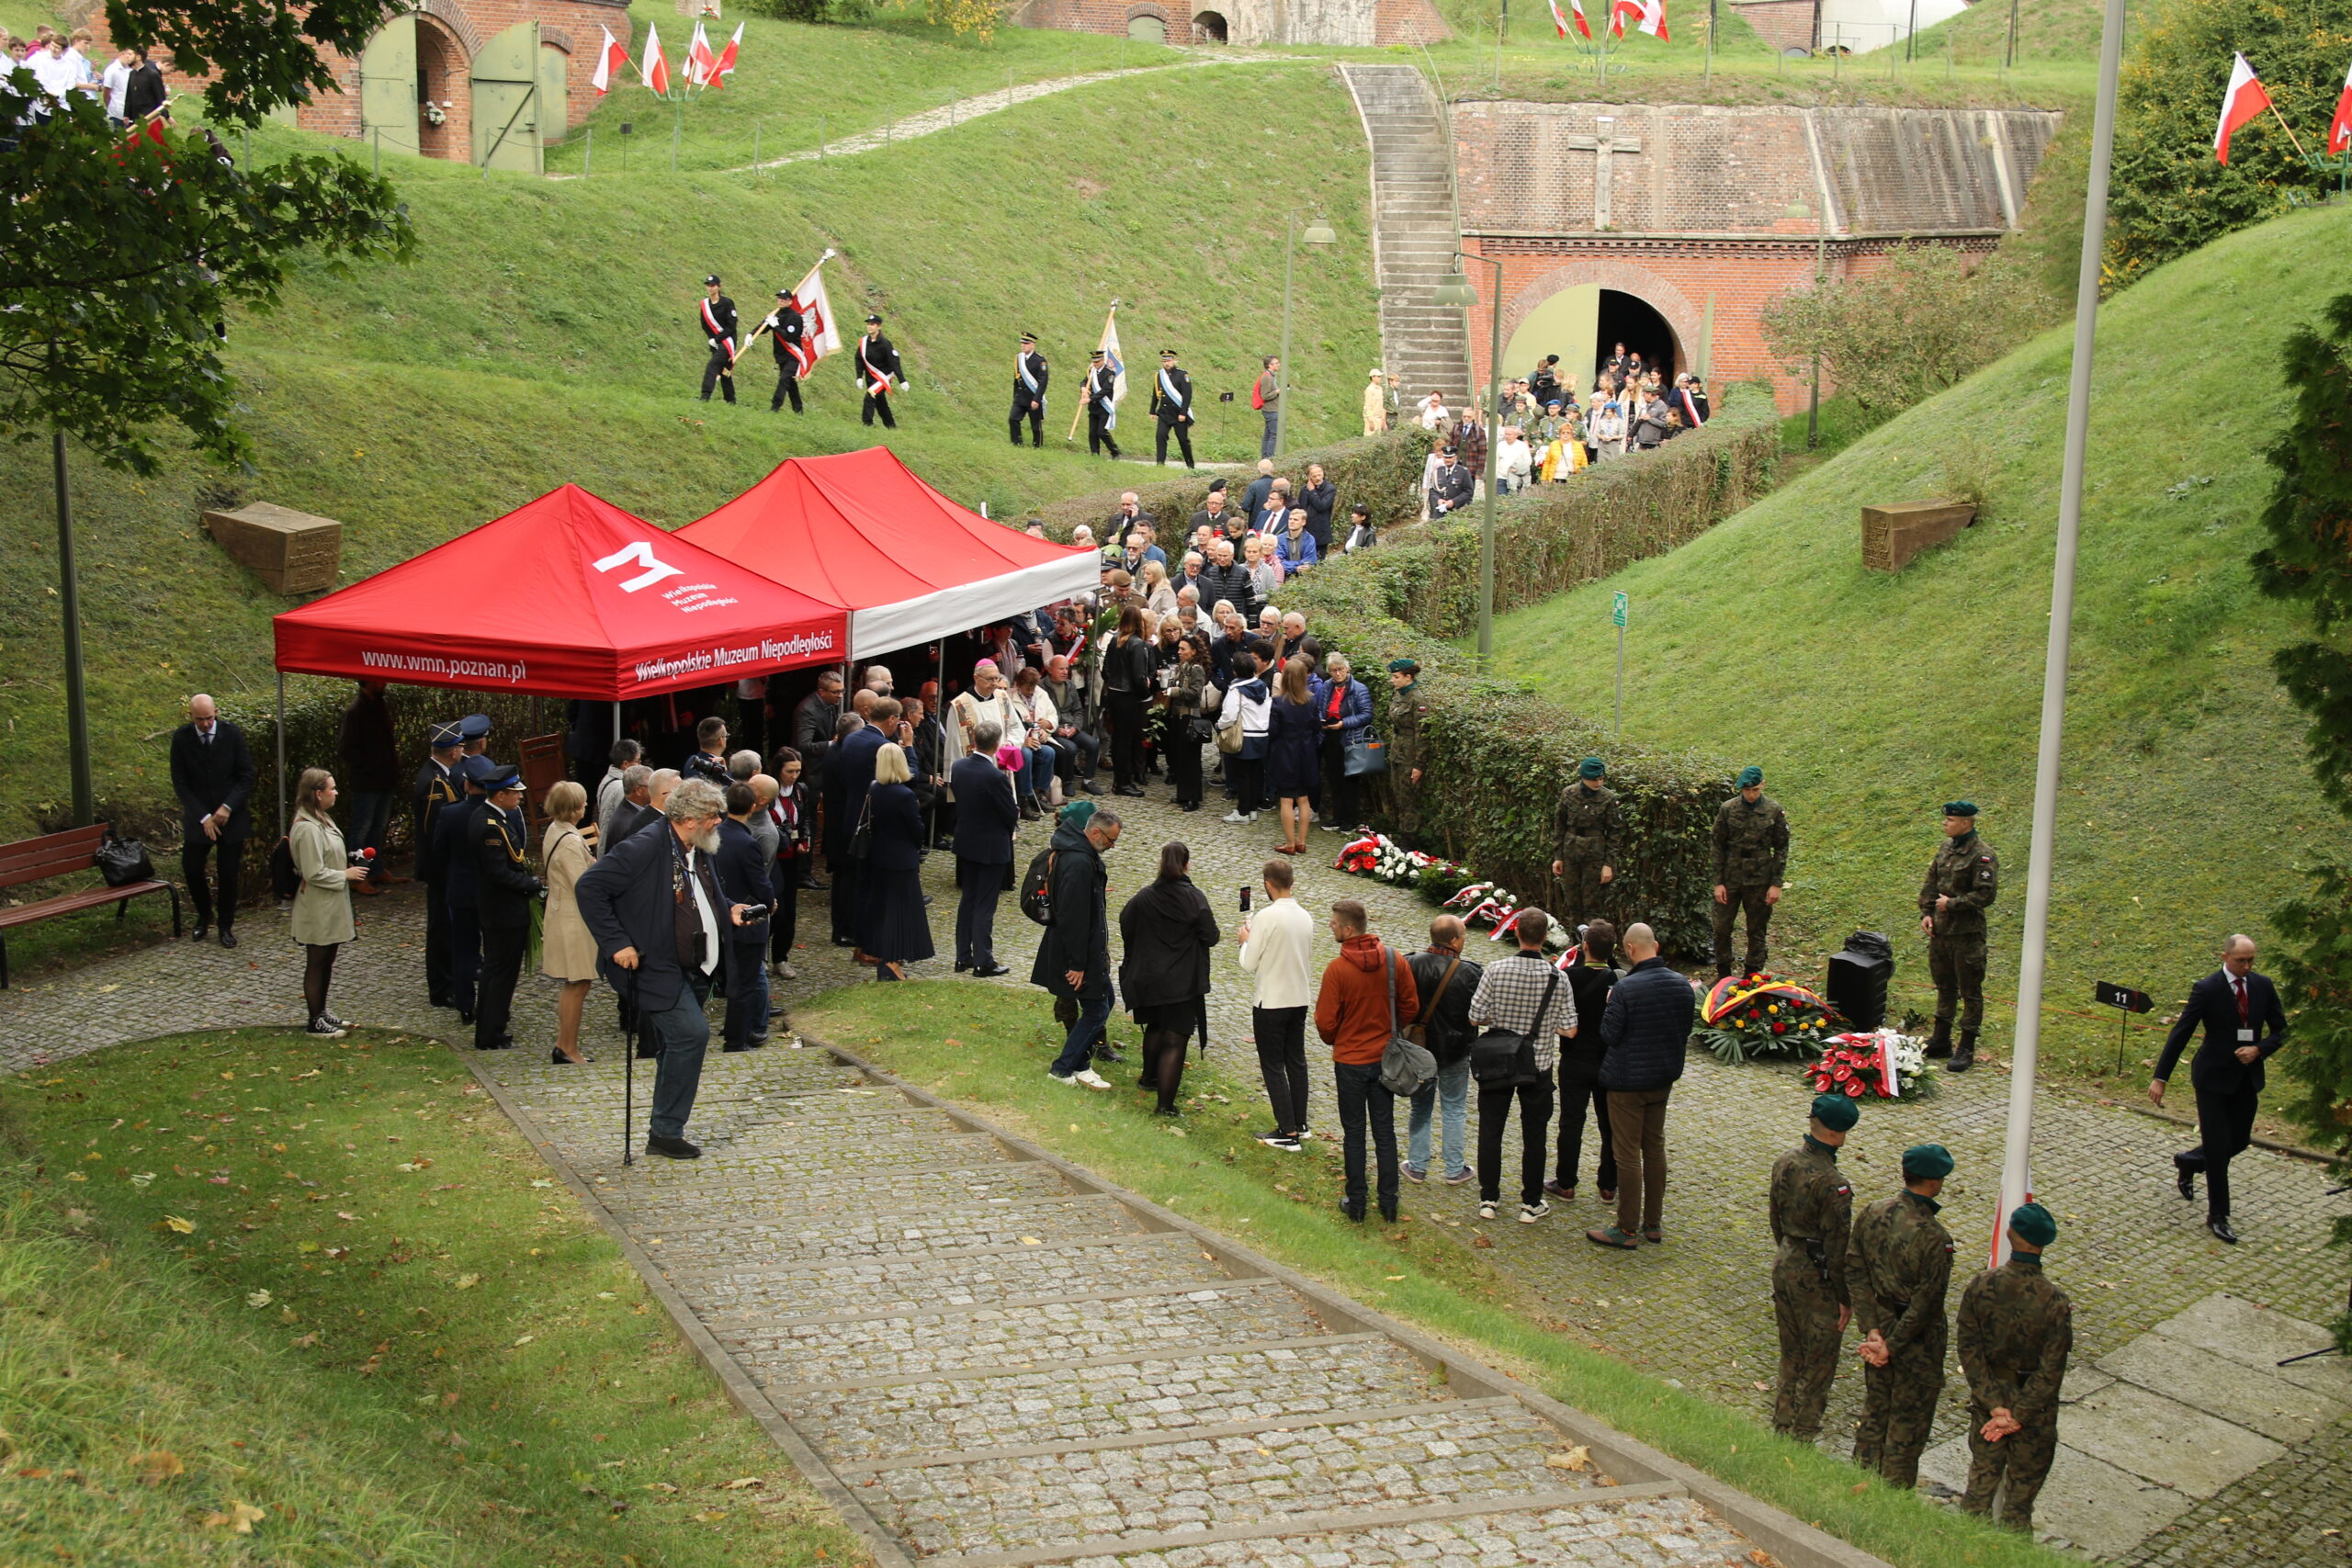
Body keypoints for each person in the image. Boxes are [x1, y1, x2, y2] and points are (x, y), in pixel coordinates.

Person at [575, 778, 758, 1159]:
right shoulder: (644, 846)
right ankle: (666, 1131)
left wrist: (729, 911)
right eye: (713, 817)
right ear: (689, 819)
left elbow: (700, 898)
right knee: (692, 1035)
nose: (719, 823)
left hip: (694, 966)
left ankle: (663, 1127)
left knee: (676, 1044)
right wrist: (617, 943)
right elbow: (590, 887)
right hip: (656, 966)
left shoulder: (698, 847)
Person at [2150, 933, 2288, 1244]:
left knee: (2237, 1141)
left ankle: (2188, 1162)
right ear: (2224, 957)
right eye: (2241, 960)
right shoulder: (2207, 989)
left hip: (2246, 1078)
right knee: (2216, 1147)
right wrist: (2161, 1077)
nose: (2247, 966)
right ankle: (2218, 1214)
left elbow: (2280, 1030)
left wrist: (2260, 1049)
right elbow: (2181, 1032)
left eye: (2252, 960)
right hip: (2212, 1079)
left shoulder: (2263, 986)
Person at [1956, 1203, 2073, 1531]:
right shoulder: (2054, 1301)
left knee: (1978, 1492)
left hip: (1989, 1402)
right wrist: (2018, 1416)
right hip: (2033, 1415)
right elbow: (2051, 1370)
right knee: (2018, 1507)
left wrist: (1995, 1407)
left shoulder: (1981, 1285)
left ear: (2010, 1234)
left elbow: (1969, 1349)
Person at [1849, 1142, 1956, 1489]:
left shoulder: (1873, 1211)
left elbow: (1855, 1268)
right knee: (1907, 1426)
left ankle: (1858, 1482)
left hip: (1879, 1323)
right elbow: (1927, 1302)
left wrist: (1872, 1329)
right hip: (1917, 1342)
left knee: (1875, 1411)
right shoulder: (1935, 1238)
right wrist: (1891, 1345)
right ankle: (1893, 1493)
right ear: (1936, 1182)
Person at [1462, 908, 1576, 1224]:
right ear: (1545, 938)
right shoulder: (1558, 977)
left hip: (1497, 1061)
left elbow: (1475, 1016)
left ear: (1516, 932)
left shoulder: (1495, 970)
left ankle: (1489, 1198)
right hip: (1537, 1066)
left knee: (1491, 1130)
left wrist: (1499, 1020)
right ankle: (1531, 1202)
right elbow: (1569, 1029)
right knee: (1535, 1134)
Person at [1315, 899, 1419, 1224]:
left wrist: (1341, 1038)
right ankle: (1389, 1203)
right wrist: (1390, 1030)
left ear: (1348, 929)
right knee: (1385, 1131)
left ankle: (1357, 1201)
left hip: (1350, 1061)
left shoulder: (1338, 970)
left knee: (1354, 1132)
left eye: (1333, 922)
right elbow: (1411, 1006)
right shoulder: (1394, 960)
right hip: (1385, 1059)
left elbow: (1325, 1022)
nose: (1329, 925)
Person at [1589, 921, 1689, 1248]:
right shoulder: (1682, 986)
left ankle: (1627, 1227)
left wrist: (1609, 1005)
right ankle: (1653, 1223)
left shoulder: (1626, 989)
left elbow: (1609, 1035)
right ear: (1655, 946)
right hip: (1662, 1079)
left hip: (1627, 1083)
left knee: (1628, 1154)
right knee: (1655, 1147)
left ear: (1630, 949)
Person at [1770, 1091, 1859, 1441]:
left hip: (1786, 1258)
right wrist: (1844, 1296)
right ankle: (1804, 1431)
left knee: (1790, 1351)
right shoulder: (1834, 1184)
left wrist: (1787, 1249)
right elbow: (1837, 1246)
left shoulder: (1785, 1162)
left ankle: (1781, 1421)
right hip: (1816, 1275)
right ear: (1840, 1132)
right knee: (1819, 1359)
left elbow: (1775, 1216)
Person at [1119, 841, 1220, 1113]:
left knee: (1154, 1025)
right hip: (1180, 982)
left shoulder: (1144, 896)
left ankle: (1149, 1077)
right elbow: (1211, 936)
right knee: (1175, 1039)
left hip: (1150, 977)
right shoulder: (1194, 898)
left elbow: (1126, 922)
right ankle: (1165, 1105)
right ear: (1186, 864)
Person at [1035, 805, 1123, 1089]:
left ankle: (1081, 1065)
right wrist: (1077, 964)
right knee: (1097, 1009)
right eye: (1110, 840)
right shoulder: (1080, 863)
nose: (1111, 846)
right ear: (1095, 832)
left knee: (1104, 1002)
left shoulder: (1078, 856)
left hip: (1082, 951)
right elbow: (1074, 917)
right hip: (1077, 955)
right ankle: (1062, 1068)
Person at [1236, 859, 1316, 1147]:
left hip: (1271, 1000)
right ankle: (1300, 1121)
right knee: (1296, 1061)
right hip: (1299, 998)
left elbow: (1248, 963)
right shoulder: (1305, 916)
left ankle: (1287, 1132)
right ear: (1290, 883)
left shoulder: (1267, 917)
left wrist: (1245, 940)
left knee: (1272, 1065)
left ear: (1268, 884)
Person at [169, 694, 255, 949]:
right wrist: (203, 816)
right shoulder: (182, 738)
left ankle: (225, 925)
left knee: (228, 873)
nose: (205, 724)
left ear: (216, 712)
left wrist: (227, 807)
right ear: (190, 717)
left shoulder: (231, 734)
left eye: (209, 718)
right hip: (200, 816)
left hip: (231, 815)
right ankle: (204, 915)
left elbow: (246, 775)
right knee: (192, 868)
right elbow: (181, 783)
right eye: (199, 720)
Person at [288, 767, 368, 1038]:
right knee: (318, 960)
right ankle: (314, 1019)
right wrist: (345, 874)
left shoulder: (322, 818)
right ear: (318, 793)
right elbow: (313, 871)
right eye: (332, 788)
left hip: (330, 902)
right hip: (317, 905)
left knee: (327, 959)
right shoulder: (307, 828)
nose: (336, 792)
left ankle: (321, 1011)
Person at [1919, 801, 1998, 1072]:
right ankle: (1941, 1039)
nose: (1945, 823)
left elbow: (1985, 895)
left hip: (1967, 934)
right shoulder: (1945, 849)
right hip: (1941, 931)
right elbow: (1931, 882)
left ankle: (1966, 1046)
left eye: (1951, 820)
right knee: (1944, 985)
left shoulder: (1982, 855)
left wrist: (1950, 905)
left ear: (1966, 823)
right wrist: (1927, 913)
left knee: (1970, 990)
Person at [1404, 914, 1481, 1186]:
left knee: (1420, 1107)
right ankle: (1454, 1168)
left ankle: (1417, 1165)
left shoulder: (1409, 963)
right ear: (1453, 941)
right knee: (1454, 1108)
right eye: (1462, 936)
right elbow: (1477, 1013)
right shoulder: (1471, 972)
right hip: (1455, 1050)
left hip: (1418, 1049)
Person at [1547, 918, 1620, 1204]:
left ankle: (1566, 1183)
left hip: (1575, 1058)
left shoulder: (1570, 978)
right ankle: (1608, 1185)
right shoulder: (1619, 980)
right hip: (1608, 1061)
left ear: (1584, 946)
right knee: (1609, 1125)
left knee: (1571, 1122)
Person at [469, 764, 541, 1053]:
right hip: (503, 911)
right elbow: (498, 872)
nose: (520, 798)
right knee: (500, 972)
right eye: (515, 793)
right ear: (500, 795)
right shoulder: (489, 826)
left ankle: (491, 1025)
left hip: (500, 909)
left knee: (495, 970)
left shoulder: (494, 817)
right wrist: (530, 883)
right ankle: (490, 1031)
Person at [947, 722, 1019, 977]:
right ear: (997, 745)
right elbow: (1010, 812)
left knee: (968, 900)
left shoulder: (959, 766)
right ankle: (983, 960)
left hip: (967, 841)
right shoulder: (995, 776)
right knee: (984, 905)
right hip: (990, 846)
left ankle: (962, 957)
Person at [711, 782, 780, 1041]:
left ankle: (736, 1031)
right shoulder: (747, 842)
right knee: (747, 982)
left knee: (732, 979)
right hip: (748, 917)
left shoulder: (715, 833)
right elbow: (761, 883)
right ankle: (739, 1037)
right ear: (753, 807)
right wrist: (771, 902)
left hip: (720, 913)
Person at [1712, 765, 1790, 980]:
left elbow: (1781, 847)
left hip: (1760, 878)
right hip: (1731, 877)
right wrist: (1718, 882)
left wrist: (1776, 883)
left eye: (1755, 789)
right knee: (1721, 927)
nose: (1752, 794)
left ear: (1763, 785)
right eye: (1747, 790)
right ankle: (1723, 974)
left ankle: (1752, 975)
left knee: (1756, 929)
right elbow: (1717, 844)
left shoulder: (1774, 810)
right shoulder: (1728, 809)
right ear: (1740, 789)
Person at [540, 780, 598, 1065]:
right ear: (575, 808)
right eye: (583, 803)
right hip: (573, 919)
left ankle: (565, 1045)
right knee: (578, 983)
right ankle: (567, 1047)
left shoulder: (556, 829)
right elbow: (583, 885)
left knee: (578, 984)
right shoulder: (570, 840)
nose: (585, 807)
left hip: (564, 913)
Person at [413, 721, 464, 1005]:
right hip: (441, 869)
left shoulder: (441, 775)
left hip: (444, 868)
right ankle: (442, 988)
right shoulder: (435, 783)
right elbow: (436, 832)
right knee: (442, 929)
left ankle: (448, 982)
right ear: (453, 750)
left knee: (447, 927)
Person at [1547, 757, 1623, 932]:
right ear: (1583, 777)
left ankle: (1591, 947)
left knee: (1592, 906)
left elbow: (1615, 834)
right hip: (1571, 852)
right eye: (1594, 779)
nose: (1598, 782)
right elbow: (1560, 825)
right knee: (1573, 904)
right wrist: (1558, 857)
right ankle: (1575, 947)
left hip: (1595, 856)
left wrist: (1608, 864)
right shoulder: (1569, 793)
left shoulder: (1608, 798)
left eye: (1601, 778)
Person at [334, 680, 400, 876]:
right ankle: (357, 873)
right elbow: (346, 749)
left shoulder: (380, 706)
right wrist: (371, 767)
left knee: (377, 828)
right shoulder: (355, 712)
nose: (385, 683)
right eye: (379, 680)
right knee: (361, 829)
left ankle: (375, 869)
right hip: (367, 783)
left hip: (384, 780)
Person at [1263, 657, 1323, 856]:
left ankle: (1289, 843)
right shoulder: (1312, 700)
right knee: (1304, 799)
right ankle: (1302, 841)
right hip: (1306, 754)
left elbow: (1272, 731)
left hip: (1284, 755)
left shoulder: (1278, 703)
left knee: (1287, 800)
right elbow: (1317, 727)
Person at [1099, 606, 1155, 799]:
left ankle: (1119, 781)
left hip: (1114, 694)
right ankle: (1123, 783)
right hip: (1128, 697)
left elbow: (1105, 670)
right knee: (1126, 741)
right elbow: (1139, 676)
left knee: (1118, 740)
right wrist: (1145, 694)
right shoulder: (1137, 643)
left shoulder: (1116, 640)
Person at [1312, 653, 1372, 834]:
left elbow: (1366, 714)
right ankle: (1337, 817)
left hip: (1350, 738)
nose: (1337, 674)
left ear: (1347, 669)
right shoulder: (1328, 686)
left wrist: (1344, 723)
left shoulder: (1358, 689)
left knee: (1350, 781)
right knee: (1334, 778)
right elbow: (1321, 707)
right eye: (1333, 671)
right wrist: (1323, 720)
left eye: (1340, 670)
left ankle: (1350, 819)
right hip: (1330, 736)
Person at [765, 749, 810, 977]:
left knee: (789, 911)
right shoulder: (767, 791)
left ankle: (781, 957)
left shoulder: (800, 791)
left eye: (798, 771)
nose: (794, 776)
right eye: (790, 771)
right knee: (775, 909)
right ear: (778, 770)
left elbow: (804, 818)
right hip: (771, 859)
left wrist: (804, 838)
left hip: (791, 857)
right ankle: (762, 953)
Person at [1218, 652, 1272, 825]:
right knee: (1256, 775)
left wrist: (1220, 725)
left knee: (1242, 776)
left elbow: (1229, 715)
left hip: (1244, 736)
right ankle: (1252, 809)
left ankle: (1242, 811)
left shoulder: (1236, 690)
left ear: (1235, 672)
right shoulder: (1263, 686)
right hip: (1261, 735)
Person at [1166, 633, 1212, 812]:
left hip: (1190, 718)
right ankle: (1182, 794)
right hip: (1179, 717)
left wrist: (1175, 691)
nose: (1179, 652)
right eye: (1179, 648)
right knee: (1181, 758)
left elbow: (1195, 693)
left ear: (1193, 651)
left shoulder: (1196, 669)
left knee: (1191, 760)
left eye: (1183, 649)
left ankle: (1193, 797)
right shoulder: (1181, 667)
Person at [1385, 660, 1425, 847]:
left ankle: (1409, 841)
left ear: (1408, 677)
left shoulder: (1417, 699)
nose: (1393, 680)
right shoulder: (1399, 694)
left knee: (1408, 800)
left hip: (1410, 755)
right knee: (1398, 795)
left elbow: (1422, 734)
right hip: (1397, 751)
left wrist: (1419, 764)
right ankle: (1400, 834)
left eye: (1396, 677)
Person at [758, 288, 807, 412]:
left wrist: (776, 326)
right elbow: (762, 328)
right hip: (781, 354)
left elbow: (789, 337)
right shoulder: (775, 315)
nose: (780, 301)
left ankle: (775, 407)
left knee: (784, 379)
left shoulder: (795, 317)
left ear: (790, 301)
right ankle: (798, 409)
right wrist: (751, 334)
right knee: (790, 382)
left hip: (793, 354)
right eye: (779, 298)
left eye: (784, 299)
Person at [1149, 348, 1196, 468]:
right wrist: (1152, 410)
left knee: (1183, 440)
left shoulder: (1182, 375)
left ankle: (1190, 465)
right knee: (1160, 436)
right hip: (1164, 413)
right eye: (1164, 361)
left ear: (1174, 360)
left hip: (1178, 414)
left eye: (1169, 360)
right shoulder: (1159, 375)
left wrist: (1183, 413)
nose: (1167, 363)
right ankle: (1160, 464)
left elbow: (1187, 396)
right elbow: (1156, 393)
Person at [855, 313, 904, 428]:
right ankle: (891, 426)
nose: (870, 327)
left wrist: (902, 380)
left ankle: (867, 424)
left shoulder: (885, 343)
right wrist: (859, 376)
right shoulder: (864, 342)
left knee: (870, 396)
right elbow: (859, 359)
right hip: (870, 377)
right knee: (880, 403)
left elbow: (893, 362)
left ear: (879, 326)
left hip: (883, 377)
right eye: (868, 324)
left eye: (873, 324)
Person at [696, 275, 738, 403]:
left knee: (712, 365)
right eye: (708, 286)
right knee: (723, 369)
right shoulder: (705, 304)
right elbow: (705, 324)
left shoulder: (727, 303)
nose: (710, 288)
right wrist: (712, 340)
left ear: (719, 287)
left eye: (713, 286)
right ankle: (731, 400)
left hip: (727, 341)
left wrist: (718, 339)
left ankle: (705, 395)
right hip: (715, 341)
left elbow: (731, 326)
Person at [1009, 330, 1049, 447]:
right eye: (1022, 343)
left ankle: (1037, 446)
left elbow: (1043, 382)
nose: (1023, 345)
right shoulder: (1018, 358)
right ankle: (1017, 443)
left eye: (1026, 343)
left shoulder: (1040, 360)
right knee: (1013, 419)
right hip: (1020, 397)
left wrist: (1037, 399)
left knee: (1035, 426)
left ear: (1032, 345)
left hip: (1033, 397)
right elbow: (1016, 379)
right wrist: (1015, 395)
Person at [1085, 347, 1122, 457]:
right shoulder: (1092, 372)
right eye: (1093, 361)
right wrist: (1083, 388)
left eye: (1097, 361)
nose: (1095, 363)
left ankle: (1114, 450)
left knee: (1101, 432)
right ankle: (1095, 454)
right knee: (1092, 433)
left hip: (1104, 407)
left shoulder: (1109, 373)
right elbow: (1084, 381)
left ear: (1102, 360)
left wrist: (1090, 399)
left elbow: (1106, 390)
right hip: (1094, 407)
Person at [1425, 449, 1473, 518]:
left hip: (1457, 511)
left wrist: (1453, 502)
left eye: (1450, 458)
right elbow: (1433, 490)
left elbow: (1468, 492)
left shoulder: (1463, 472)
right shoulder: (1438, 471)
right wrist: (1438, 500)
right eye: (1445, 457)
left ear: (1455, 457)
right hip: (1439, 511)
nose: (1447, 460)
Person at [1252, 355, 1283, 457]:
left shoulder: (1271, 376)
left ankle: (1265, 457)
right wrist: (1278, 392)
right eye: (1276, 363)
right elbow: (1265, 395)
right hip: (1270, 410)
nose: (1279, 365)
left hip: (1271, 409)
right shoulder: (1267, 377)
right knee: (1273, 435)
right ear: (1270, 365)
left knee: (1268, 434)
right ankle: (1269, 457)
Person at [1363, 368, 1390, 434]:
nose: (1380, 378)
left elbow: (1382, 405)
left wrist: (1383, 419)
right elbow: (1367, 406)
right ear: (1373, 377)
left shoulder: (1380, 389)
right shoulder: (1370, 389)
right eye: (1378, 377)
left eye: (1380, 376)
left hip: (1379, 418)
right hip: (1372, 418)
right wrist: (1370, 421)